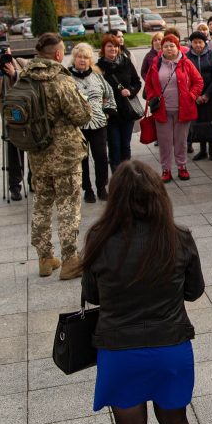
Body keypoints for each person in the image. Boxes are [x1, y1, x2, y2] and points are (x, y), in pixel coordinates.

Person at [82, 160, 205, 424]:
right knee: (176, 423)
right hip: (170, 346)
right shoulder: (179, 236)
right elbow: (194, 291)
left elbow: (92, 294)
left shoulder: (99, 238)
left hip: (119, 350)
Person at [23, 33, 92, 280]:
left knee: (42, 203)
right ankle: (70, 260)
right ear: (58, 54)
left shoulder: (24, 77)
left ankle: (44, 258)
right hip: (65, 155)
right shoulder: (60, 79)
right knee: (68, 206)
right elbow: (81, 115)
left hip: (37, 154)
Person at [145, 34, 204, 183]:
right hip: (162, 110)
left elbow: (198, 81)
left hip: (183, 109)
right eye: (166, 46)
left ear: (177, 47)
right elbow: (148, 85)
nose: (169, 48)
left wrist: (191, 96)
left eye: (172, 45)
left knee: (181, 141)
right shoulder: (156, 63)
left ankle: (182, 167)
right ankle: (166, 169)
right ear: (162, 48)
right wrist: (153, 97)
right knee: (164, 142)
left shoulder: (186, 62)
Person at [69, 42, 116, 204]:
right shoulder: (67, 78)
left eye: (86, 57)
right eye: (79, 57)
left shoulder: (97, 76)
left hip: (98, 124)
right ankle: (87, 189)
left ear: (90, 60)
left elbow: (109, 95)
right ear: (74, 59)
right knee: (82, 159)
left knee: (101, 157)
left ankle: (102, 187)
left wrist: (108, 111)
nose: (82, 60)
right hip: (77, 126)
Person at [0, 42, 28, 201]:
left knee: (33, 149)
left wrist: (15, 74)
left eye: (7, 53)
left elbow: (31, 83)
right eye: (2, 54)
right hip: (10, 118)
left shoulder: (22, 63)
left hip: (29, 114)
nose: (6, 57)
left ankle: (34, 180)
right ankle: (15, 186)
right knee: (13, 153)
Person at [98, 34, 142, 172]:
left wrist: (131, 91)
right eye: (109, 46)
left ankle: (127, 175)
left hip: (126, 111)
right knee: (114, 146)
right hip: (111, 114)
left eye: (116, 46)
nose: (113, 49)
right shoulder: (99, 67)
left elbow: (137, 82)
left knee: (125, 146)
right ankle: (117, 176)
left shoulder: (126, 62)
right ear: (103, 48)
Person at [186, 31, 212, 162]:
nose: (198, 45)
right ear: (191, 43)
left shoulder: (211, 55)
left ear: (205, 43)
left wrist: (206, 95)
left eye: (200, 42)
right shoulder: (187, 57)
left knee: (210, 122)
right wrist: (196, 95)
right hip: (195, 96)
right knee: (199, 123)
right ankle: (202, 150)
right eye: (195, 42)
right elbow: (186, 78)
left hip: (210, 95)